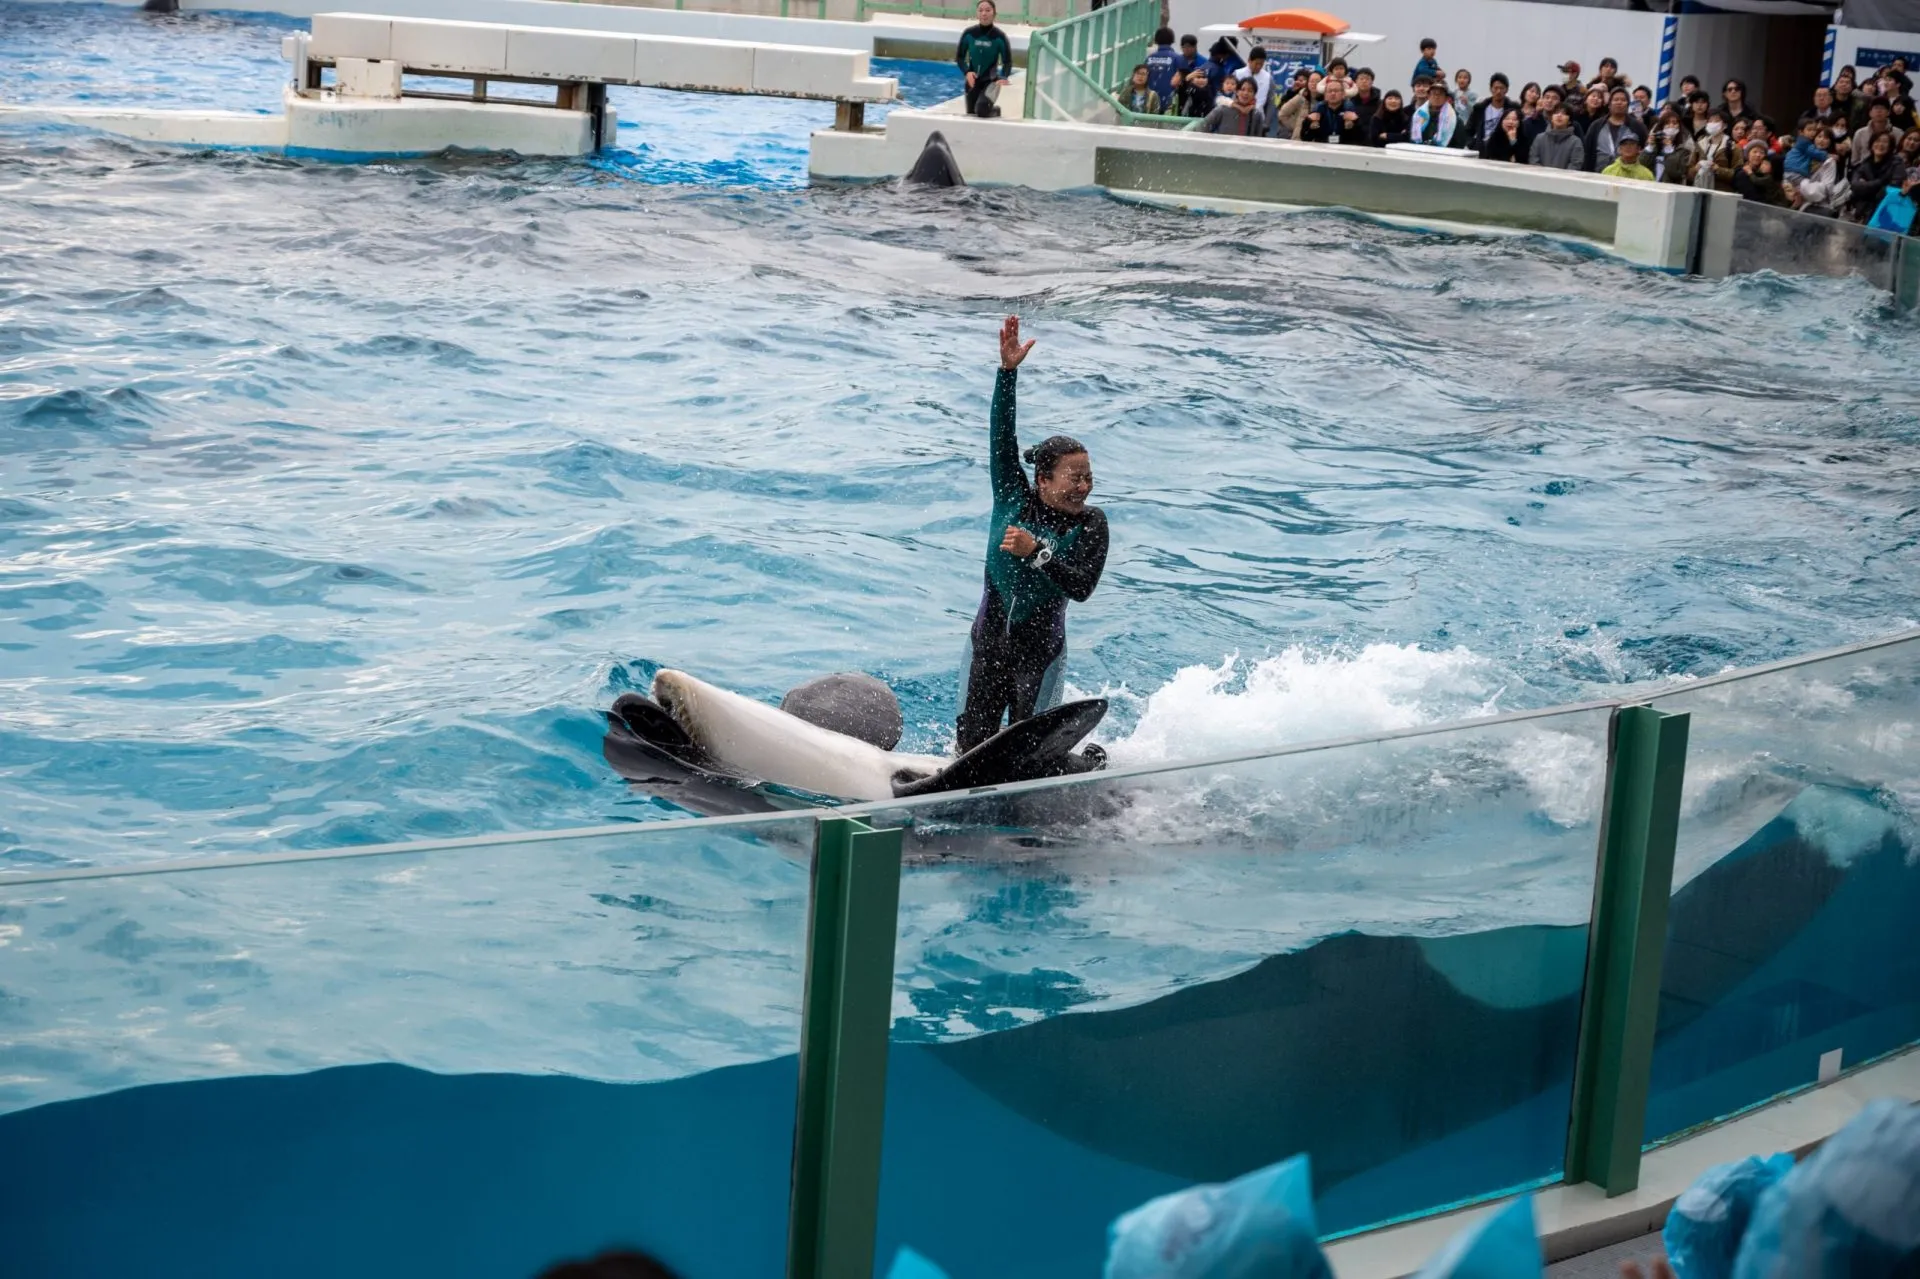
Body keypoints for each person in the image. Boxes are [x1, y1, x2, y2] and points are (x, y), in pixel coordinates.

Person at [956, 316, 1108, 755]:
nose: (1084, 486)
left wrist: (1037, 552)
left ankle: (1083, 764)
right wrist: (1008, 373)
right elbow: (1001, 438)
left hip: (1040, 656)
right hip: (987, 646)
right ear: (1042, 479)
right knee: (968, 749)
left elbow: (1082, 587)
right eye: (1074, 477)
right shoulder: (1011, 497)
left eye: (1088, 477)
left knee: (1031, 759)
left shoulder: (1090, 524)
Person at [955, 0, 1012, 119]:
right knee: (971, 114)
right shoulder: (969, 34)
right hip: (973, 81)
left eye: (988, 10)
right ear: (977, 14)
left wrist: (1003, 77)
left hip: (991, 82)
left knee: (981, 111)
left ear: (994, 14)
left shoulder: (1000, 37)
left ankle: (995, 111)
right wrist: (967, 72)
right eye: (980, 10)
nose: (984, 14)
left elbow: (1007, 61)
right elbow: (959, 57)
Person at [1847, 129, 1906, 221]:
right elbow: (1855, 185)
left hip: (1885, 212)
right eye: (1877, 141)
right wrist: (1881, 182)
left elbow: (1893, 189)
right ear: (1871, 144)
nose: (1880, 145)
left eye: (1885, 142)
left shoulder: (1897, 164)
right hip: (1862, 210)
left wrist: (1867, 186)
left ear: (1890, 147)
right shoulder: (1865, 163)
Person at [1586, 86, 1648, 171]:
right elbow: (1587, 151)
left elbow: (1644, 152)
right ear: (1609, 104)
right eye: (1615, 100)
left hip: (1627, 174)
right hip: (1598, 174)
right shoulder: (1596, 126)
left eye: (1623, 100)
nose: (1619, 102)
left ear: (1628, 104)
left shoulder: (1637, 127)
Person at [1794, 126, 1848, 213]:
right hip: (1796, 202)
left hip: (1816, 206)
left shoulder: (1830, 162)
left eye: (1826, 138)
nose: (1822, 140)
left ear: (1830, 142)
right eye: (1819, 136)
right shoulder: (1804, 156)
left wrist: (1803, 186)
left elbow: (1826, 189)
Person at [1301, 75, 1362, 143]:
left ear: (1343, 94)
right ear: (1325, 95)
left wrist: (1356, 122)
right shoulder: (1319, 109)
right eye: (1330, 91)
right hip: (1323, 149)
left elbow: (1361, 138)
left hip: (1344, 150)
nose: (1333, 93)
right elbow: (1304, 138)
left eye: (1336, 91)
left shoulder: (1350, 110)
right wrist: (1308, 122)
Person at [1465, 72, 1513, 155]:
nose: (1498, 91)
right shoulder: (1480, 108)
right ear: (1491, 89)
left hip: (1502, 154)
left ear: (1506, 90)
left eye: (1502, 88)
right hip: (1481, 152)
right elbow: (1467, 131)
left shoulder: (1512, 109)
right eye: (1496, 88)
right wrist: (1473, 144)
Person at [1202, 75, 1266, 136]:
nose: (1246, 93)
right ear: (1237, 92)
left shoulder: (1257, 115)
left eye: (1250, 91)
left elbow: (1258, 138)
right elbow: (1203, 127)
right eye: (1242, 89)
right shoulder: (1222, 110)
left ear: (1254, 95)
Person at [1646, 106, 1696, 182]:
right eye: (1667, 123)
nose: (1671, 126)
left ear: (1679, 127)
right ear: (1662, 126)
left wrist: (1669, 149)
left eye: (1674, 123)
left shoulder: (1684, 148)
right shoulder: (1656, 143)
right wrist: (1650, 147)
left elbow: (1674, 172)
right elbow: (1643, 164)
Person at [1851, 98, 1905, 168]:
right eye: (1876, 108)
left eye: (1882, 108)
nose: (1879, 111)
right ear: (1870, 113)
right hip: (1864, 172)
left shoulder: (1898, 133)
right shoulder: (1860, 133)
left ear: (1888, 112)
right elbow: (1855, 159)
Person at [1529, 101, 1584, 169]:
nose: (1559, 115)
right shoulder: (1539, 138)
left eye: (1564, 113)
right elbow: (1533, 160)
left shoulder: (1575, 142)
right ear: (1551, 118)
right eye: (1556, 113)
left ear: (1569, 121)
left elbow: (1575, 165)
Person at [1693, 108, 1737, 190]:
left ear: (1725, 125)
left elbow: (1737, 174)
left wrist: (1718, 169)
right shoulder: (1700, 144)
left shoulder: (1732, 147)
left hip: (1721, 192)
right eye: (1710, 121)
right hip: (1698, 188)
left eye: (1716, 121)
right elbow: (1688, 170)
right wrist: (1695, 168)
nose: (1712, 124)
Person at [1411, 79, 1459, 147]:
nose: (1436, 97)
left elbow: (1459, 144)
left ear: (1446, 98)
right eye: (1433, 93)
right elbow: (1411, 139)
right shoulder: (1418, 116)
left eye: (1440, 94)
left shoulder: (1454, 119)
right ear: (1428, 96)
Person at [1521, 84, 1563, 154]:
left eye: (1554, 98)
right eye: (1547, 97)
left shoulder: (1570, 124)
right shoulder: (1529, 123)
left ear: (1561, 102)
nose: (1549, 101)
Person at [1269, 67, 1311, 138]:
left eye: (1304, 80)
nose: (1301, 82)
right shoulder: (1290, 93)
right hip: (1286, 130)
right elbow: (1281, 110)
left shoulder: (1310, 96)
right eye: (1299, 80)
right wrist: (1292, 92)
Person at [1144, 28, 1179, 106]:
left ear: (1156, 40)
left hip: (1151, 101)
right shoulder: (1176, 58)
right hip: (1169, 102)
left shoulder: (1149, 58)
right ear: (1172, 40)